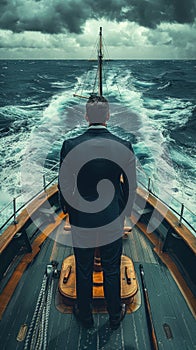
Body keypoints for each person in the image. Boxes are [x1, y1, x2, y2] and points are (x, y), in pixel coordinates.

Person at [58, 95, 137, 330]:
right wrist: (123, 213)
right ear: (108, 117)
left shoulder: (70, 145)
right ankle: (114, 316)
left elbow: (64, 184)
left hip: (81, 217)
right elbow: (130, 187)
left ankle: (85, 315)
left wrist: (70, 211)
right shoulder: (124, 146)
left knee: (83, 267)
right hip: (112, 216)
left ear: (86, 117)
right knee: (112, 268)